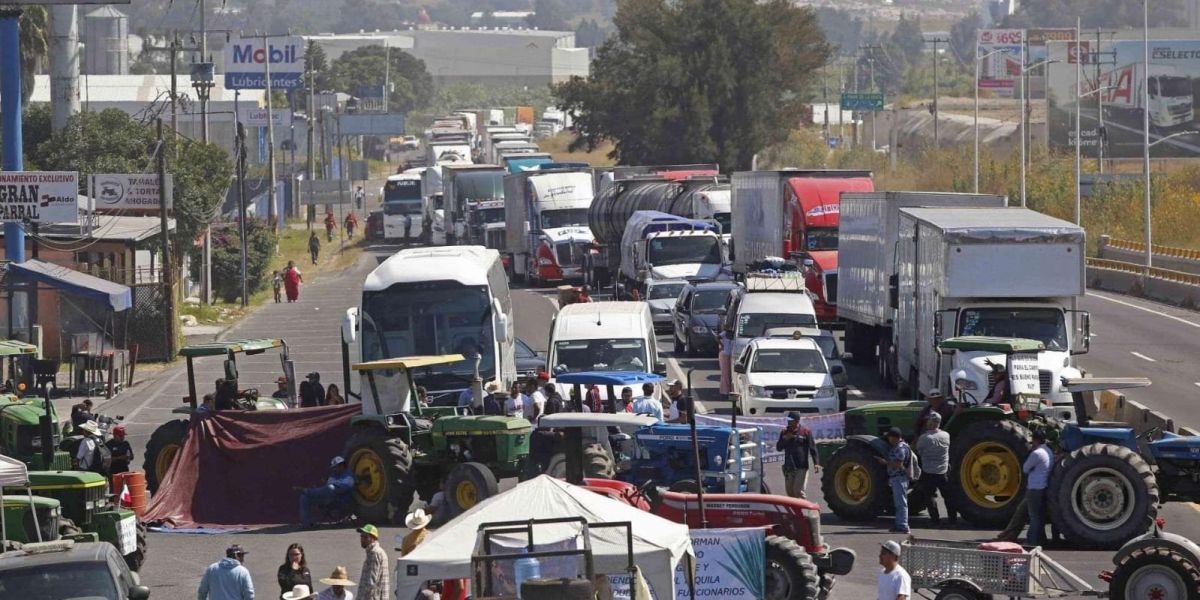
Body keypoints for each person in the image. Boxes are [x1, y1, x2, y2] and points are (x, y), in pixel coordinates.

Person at [914, 412, 956, 525]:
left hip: (928, 471)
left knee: (930, 497)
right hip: (943, 471)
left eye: (928, 421)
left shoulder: (924, 438)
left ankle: (935, 520)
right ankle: (952, 519)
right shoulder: (946, 435)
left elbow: (918, 450)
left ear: (932, 423)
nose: (927, 422)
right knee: (948, 496)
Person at [876, 427, 916, 533]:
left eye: (889, 437)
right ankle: (899, 524)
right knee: (899, 503)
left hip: (900, 478)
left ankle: (903, 526)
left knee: (901, 503)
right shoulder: (900, 446)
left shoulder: (900, 448)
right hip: (898, 478)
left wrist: (885, 462)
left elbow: (899, 464)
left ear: (894, 438)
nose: (889, 439)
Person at [299, 456, 356, 529]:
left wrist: (330, 487)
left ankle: (308, 491)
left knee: (330, 489)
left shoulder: (349, 476)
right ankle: (306, 525)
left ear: (342, 465)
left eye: (335, 467)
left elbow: (341, 489)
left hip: (341, 501)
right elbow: (327, 487)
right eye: (333, 467)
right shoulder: (333, 475)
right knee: (304, 497)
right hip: (328, 498)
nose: (334, 469)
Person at [776, 412, 819, 499]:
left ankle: (805, 507)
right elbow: (779, 448)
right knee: (790, 492)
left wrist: (816, 463)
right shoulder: (784, 432)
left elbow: (812, 447)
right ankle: (795, 508)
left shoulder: (805, 432)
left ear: (797, 421)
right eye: (788, 420)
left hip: (801, 467)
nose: (788, 422)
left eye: (791, 420)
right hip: (789, 467)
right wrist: (785, 439)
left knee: (798, 491)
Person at [1023, 429, 1053, 546]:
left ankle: (1031, 540)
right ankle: (1041, 539)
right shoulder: (1048, 451)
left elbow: (1025, 468)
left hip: (1034, 488)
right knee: (1040, 515)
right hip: (1044, 486)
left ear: (1035, 440)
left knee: (1034, 516)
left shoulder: (1036, 453)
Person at [357, 524, 390, 600]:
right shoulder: (376, 552)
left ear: (373, 538)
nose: (362, 539)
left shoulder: (374, 553)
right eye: (361, 536)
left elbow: (371, 582)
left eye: (365, 537)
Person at [718, 329, 734, 396]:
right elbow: (717, 337)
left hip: (732, 356)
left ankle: (730, 389)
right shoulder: (724, 333)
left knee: (731, 374)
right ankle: (725, 391)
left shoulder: (735, 333)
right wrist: (722, 345)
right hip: (725, 355)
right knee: (725, 374)